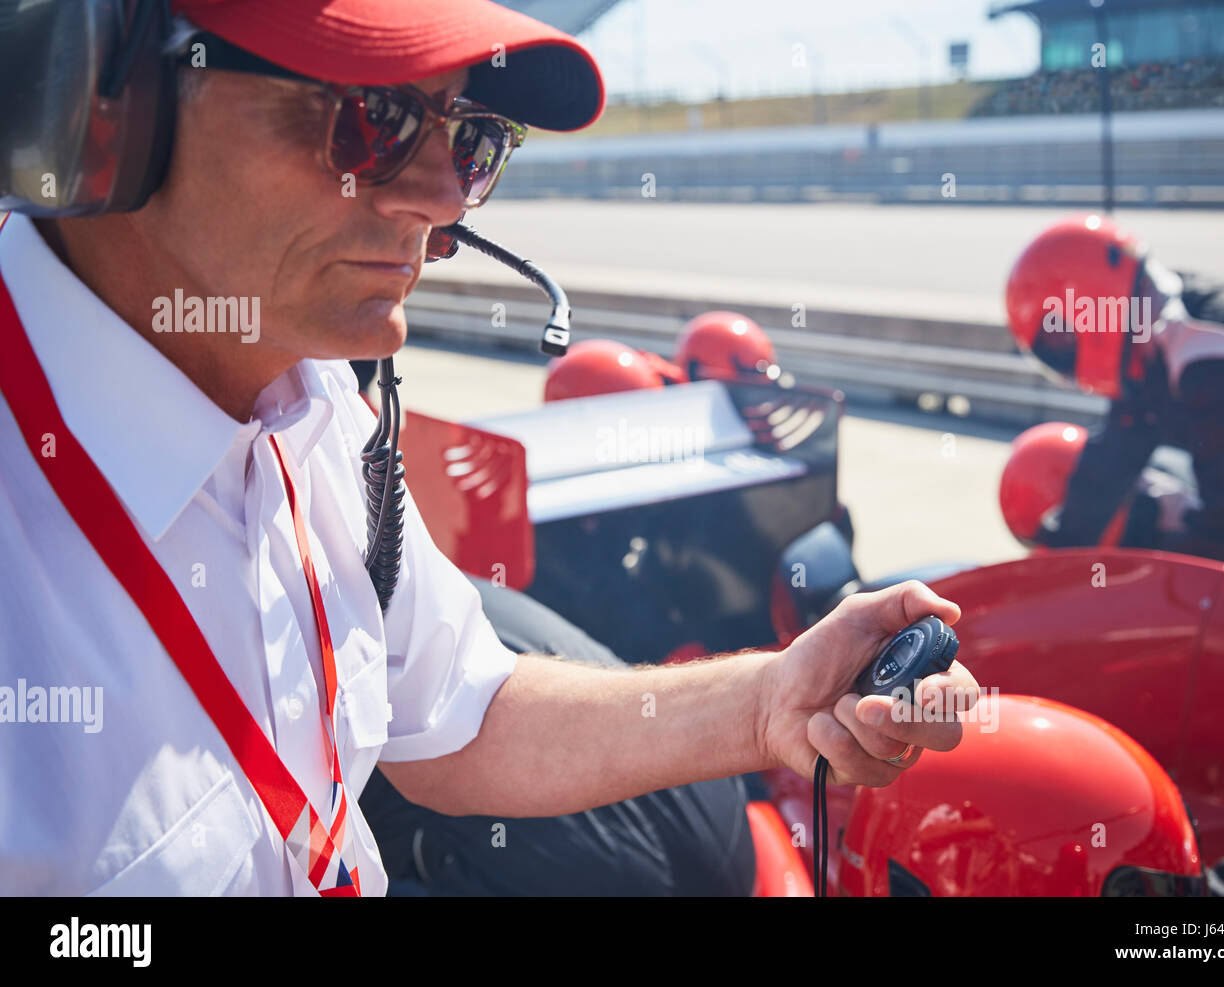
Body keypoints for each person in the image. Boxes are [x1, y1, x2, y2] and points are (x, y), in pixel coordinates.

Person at [0, 0, 978, 896]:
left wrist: (768, 702)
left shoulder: (319, 405)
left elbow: (461, 720)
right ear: (96, 99)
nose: (442, 200)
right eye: (369, 118)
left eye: (468, 139)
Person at [1004, 214, 1224, 573]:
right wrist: (1055, 558)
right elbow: (1110, 462)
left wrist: (1157, 579)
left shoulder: (1207, 345)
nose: (1063, 350)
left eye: (1061, 335)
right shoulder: (1151, 340)